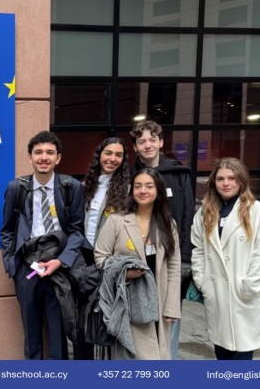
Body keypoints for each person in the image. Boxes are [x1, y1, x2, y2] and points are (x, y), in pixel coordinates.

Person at [0, 130, 87, 360]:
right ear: (29, 157)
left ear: (58, 158)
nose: (44, 157)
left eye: (50, 152)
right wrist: (12, 264)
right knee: (31, 332)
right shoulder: (16, 188)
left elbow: (77, 231)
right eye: (38, 152)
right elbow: (7, 229)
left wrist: (61, 261)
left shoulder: (72, 187)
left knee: (58, 333)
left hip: (58, 269)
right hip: (27, 269)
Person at [191, 158, 260, 360]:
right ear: (214, 182)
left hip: (244, 294)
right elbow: (198, 249)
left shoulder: (257, 211)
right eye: (220, 179)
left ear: (240, 181)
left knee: (242, 352)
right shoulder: (205, 211)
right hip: (217, 293)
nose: (226, 183)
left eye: (231, 178)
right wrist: (202, 281)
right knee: (222, 349)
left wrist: (249, 285)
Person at [94, 167, 180, 359]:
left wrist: (172, 306)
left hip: (158, 301)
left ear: (158, 191)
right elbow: (100, 257)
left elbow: (174, 267)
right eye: (138, 186)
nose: (143, 191)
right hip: (128, 302)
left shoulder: (168, 224)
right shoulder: (117, 221)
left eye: (149, 186)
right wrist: (123, 272)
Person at [130, 120, 193, 359]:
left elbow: (187, 216)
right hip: (139, 259)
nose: (148, 145)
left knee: (170, 316)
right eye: (142, 141)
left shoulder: (178, 174)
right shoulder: (129, 176)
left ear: (161, 142)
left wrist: (185, 259)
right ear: (135, 146)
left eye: (152, 140)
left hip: (171, 260)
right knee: (140, 319)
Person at [79, 137, 130, 359]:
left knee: (104, 318)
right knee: (84, 317)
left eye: (118, 155)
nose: (113, 159)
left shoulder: (126, 189)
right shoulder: (85, 185)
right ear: (99, 155)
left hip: (107, 261)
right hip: (83, 259)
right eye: (109, 153)